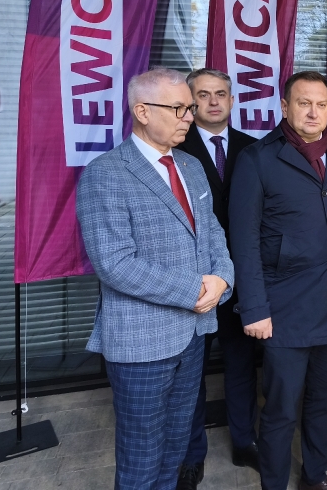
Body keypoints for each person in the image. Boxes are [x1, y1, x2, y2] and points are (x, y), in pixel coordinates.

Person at [75, 67, 234, 490]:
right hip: (141, 343)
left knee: (176, 449)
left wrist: (222, 278)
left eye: (190, 107)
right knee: (141, 459)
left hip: (193, 335)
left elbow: (213, 233)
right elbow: (114, 263)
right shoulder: (105, 174)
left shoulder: (191, 167)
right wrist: (193, 289)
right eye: (179, 108)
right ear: (142, 111)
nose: (190, 116)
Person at [229, 71, 327, 490]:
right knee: (281, 408)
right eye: (304, 103)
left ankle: (315, 476)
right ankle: (274, 483)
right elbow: (243, 241)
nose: (314, 112)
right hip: (284, 309)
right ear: (284, 107)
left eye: (321, 104)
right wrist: (254, 308)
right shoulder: (258, 159)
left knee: (324, 400)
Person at [174, 68, 258, 489]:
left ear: (231, 100)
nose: (213, 101)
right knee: (191, 375)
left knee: (242, 367)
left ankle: (244, 442)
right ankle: (192, 456)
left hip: (242, 280)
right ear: (191, 102)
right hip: (195, 285)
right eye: (203, 95)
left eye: (220, 94)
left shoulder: (253, 148)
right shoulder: (175, 148)